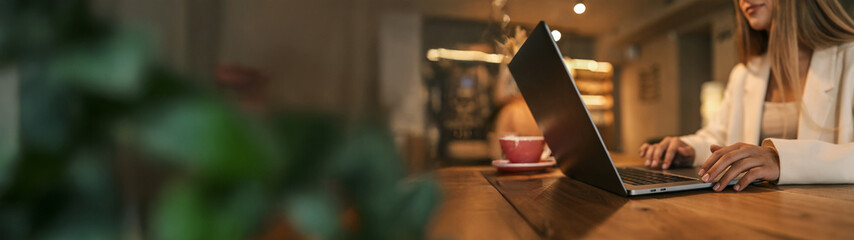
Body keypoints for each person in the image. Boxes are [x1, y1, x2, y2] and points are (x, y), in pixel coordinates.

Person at [639, 0, 854, 192]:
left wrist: (781, 159)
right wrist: (689, 150)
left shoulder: (850, 59)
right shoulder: (744, 73)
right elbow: (720, 137)